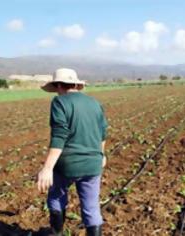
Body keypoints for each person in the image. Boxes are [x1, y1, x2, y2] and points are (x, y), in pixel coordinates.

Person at [37, 68, 108, 236]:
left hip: (67, 163)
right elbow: (102, 133)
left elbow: (59, 136)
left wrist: (47, 168)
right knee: (91, 206)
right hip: (93, 163)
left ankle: (57, 233)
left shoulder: (59, 102)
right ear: (76, 84)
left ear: (58, 85)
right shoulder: (95, 103)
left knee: (56, 197)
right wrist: (101, 154)